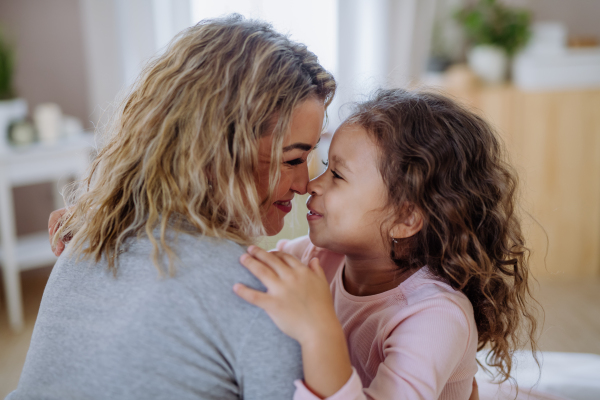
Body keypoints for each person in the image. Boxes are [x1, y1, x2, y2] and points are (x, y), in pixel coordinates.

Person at [9, 15, 336, 400]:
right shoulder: (260, 295)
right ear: (221, 150)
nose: (304, 185)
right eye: (294, 160)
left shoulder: (85, 241)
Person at [234, 89, 541, 399]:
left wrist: (318, 332)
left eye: (337, 175)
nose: (312, 183)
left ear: (405, 218)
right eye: (326, 165)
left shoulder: (436, 315)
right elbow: (241, 274)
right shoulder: (318, 257)